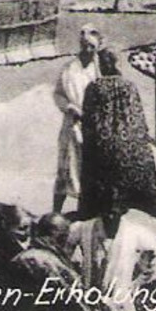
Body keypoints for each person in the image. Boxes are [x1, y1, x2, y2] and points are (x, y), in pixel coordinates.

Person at [79, 48, 156, 222]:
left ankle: (101, 209)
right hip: (128, 142)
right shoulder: (129, 85)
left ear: (101, 65)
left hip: (103, 142)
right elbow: (138, 116)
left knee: (99, 172)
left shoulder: (94, 87)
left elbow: (88, 120)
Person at [67, 205, 156, 311]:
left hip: (120, 305)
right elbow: (64, 252)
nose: (110, 216)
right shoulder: (83, 229)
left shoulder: (137, 233)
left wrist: (133, 285)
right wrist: (76, 280)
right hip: (89, 302)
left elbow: (153, 262)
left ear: (123, 210)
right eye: (106, 211)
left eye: (115, 212)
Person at [52, 26, 102, 214]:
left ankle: (85, 210)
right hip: (72, 122)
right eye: (84, 45)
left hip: (93, 124)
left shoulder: (99, 70)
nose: (87, 50)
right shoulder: (69, 68)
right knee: (65, 168)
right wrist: (70, 108)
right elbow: (58, 93)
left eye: (91, 47)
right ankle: (56, 211)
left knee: (88, 170)